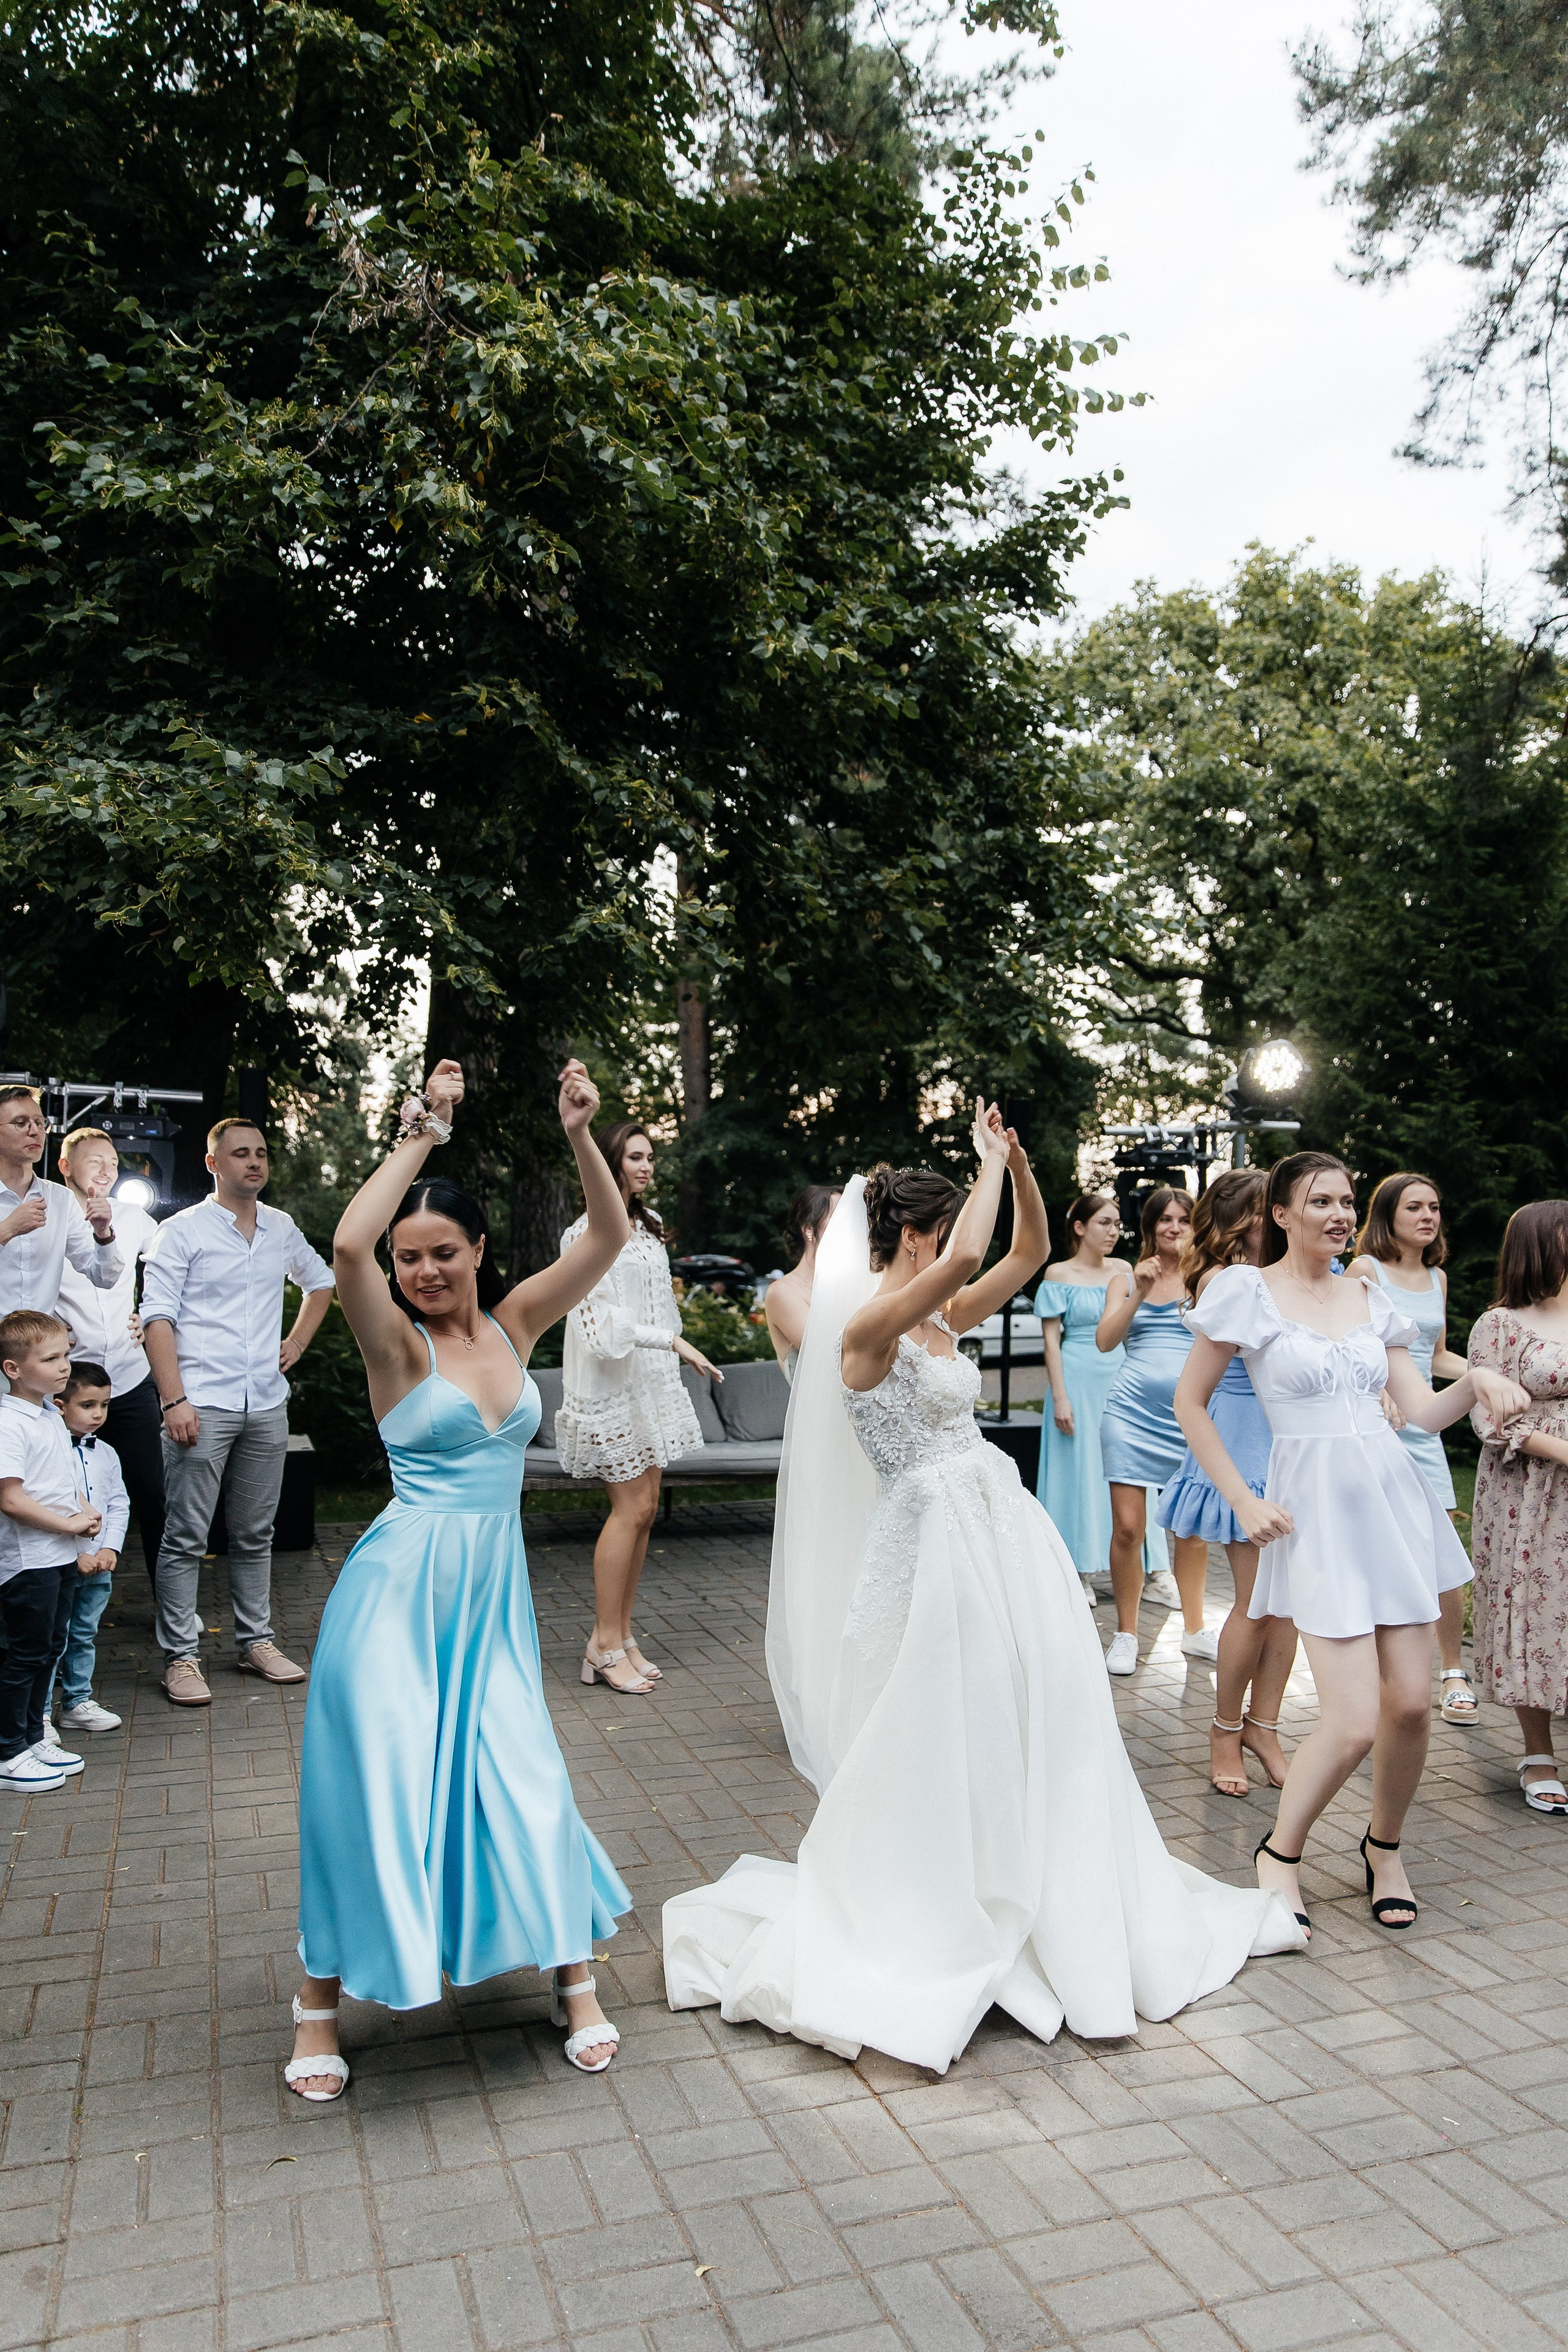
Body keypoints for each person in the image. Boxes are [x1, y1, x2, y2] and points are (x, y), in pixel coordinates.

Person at [663, 1109, 1305, 2074]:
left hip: (1002, 1534)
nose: (955, 1244)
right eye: (947, 1226)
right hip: (930, 1547)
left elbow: (1028, 1248)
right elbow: (972, 1255)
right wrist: (984, 1166)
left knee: (1036, 1701)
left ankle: (1036, 1874)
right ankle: (949, 1893)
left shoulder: (936, 1319)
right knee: (945, 1716)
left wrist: (1016, 1166)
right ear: (918, 1236)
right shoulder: (865, 1328)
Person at [288, 1059, 633, 2101]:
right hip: (394, 1603)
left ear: (481, 1251)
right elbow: (347, 1244)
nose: (425, 1271)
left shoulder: (517, 1322)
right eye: (411, 1259)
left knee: (524, 1775)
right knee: (375, 1794)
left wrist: (581, 1136)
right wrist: (423, 1135)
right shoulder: (395, 1345)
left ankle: (574, 1981)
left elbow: (610, 1240)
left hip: (490, 1607)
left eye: (444, 1252)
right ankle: (315, 2011)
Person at [1174, 1152, 1527, 1938]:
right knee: (1352, 1721)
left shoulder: (1370, 1297)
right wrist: (1242, 1496)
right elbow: (1189, 1404)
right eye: (1319, 1201)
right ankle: (1280, 1852)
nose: (1338, 1214)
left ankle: (1384, 1848)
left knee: (1411, 1705)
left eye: (1345, 1201)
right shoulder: (1245, 1293)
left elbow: (1424, 1414)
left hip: (1392, 1503)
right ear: (1281, 1214)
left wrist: (1481, 1382)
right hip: (1315, 1513)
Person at [140, 1116, 335, 1706]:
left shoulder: (280, 1227)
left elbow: (321, 1283)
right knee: (186, 1537)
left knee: (255, 1534)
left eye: (261, 1153)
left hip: (266, 1404)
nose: (253, 1162)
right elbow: (156, 1319)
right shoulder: (181, 1232)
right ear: (213, 1164)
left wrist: (296, 1343)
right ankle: (180, 1657)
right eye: (240, 1154)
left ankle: (256, 1642)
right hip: (201, 1403)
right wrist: (173, 1399)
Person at [556, 1121, 722, 1696]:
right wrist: (672, 1342)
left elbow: (663, 1310)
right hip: (609, 1390)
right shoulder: (584, 1234)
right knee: (627, 1510)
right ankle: (600, 1644)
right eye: (634, 1157)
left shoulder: (648, 1234)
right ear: (609, 1163)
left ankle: (621, 1636)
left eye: (650, 1157)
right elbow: (601, 1329)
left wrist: (671, 1357)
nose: (646, 1166)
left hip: (649, 1388)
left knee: (647, 1509)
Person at [1156, 1172, 1298, 1797]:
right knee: (1255, 1602)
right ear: (1245, 1219)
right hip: (1242, 1445)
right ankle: (1223, 1729)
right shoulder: (1224, 1280)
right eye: (1274, 1210)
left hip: (1291, 1446)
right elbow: (1199, 1390)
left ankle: (1263, 1726)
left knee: (1288, 1604)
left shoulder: (1285, 1277)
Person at [1346, 1174, 1474, 1725]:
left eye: (1436, 1207)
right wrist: (1379, 1392)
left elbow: (1437, 1356)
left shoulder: (1437, 1277)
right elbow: (1348, 1346)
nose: (1429, 1216)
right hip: (1379, 1425)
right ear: (1387, 1215)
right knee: (1384, 1551)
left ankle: (1453, 1673)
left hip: (1427, 1427)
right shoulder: (1364, 1272)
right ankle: (1385, 1678)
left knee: (1444, 1549)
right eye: (1415, 1207)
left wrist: (1488, 1374)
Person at [1464, 1200, 1568, 1815]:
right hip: (1532, 1495)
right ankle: (1537, 1751)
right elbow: (1489, 1419)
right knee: (1535, 1606)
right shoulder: (1499, 1325)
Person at [1096, 1186, 1213, 1673]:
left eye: (1183, 1220)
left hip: (1191, 1418)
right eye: (1164, 1219)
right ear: (1150, 1226)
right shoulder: (1126, 1276)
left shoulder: (1208, 1278)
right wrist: (1140, 1289)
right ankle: (1126, 1634)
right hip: (1129, 1414)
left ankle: (1194, 1628)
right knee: (1128, 1528)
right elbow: (1105, 1341)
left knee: (1190, 1530)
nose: (1174, 1228)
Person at [54, 1126, 165, 1593]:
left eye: (114, 1163)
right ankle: (66, 1597)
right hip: (65, 1385)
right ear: (66, 1168)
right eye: (95, 1161)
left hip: (130, 1377)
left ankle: (171, 1603)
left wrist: (152, 1311)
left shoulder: (134, 1217)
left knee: (153, 1493)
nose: (106, 1170)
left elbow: (167, 1269)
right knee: (60, 1493)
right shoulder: (48, 1215)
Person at [1035, 1193, 1159, 1597]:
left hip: (1120, 1376)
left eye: (1116, 1223)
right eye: (1104, 1222)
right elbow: (1052, 1342)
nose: (1113, 1230)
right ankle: (1077, 1570)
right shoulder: (1058, 1274)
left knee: (1131, 1468)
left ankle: (1153, 1568)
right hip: (1076, 1376)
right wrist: (1060, 1397)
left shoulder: (1124, 1270)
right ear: (1080, 1227)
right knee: (1078, 1470)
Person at [0, 1312, 102, 1791]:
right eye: (51, 1358)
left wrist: (83, 1511)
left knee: (49, 1649)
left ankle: (32, 1734)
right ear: (13, 1368)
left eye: (66, 1354)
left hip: (60, 1555)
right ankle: (8, 1752)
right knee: (25, 1654)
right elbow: (11, 1498)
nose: (65, 1366)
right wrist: (68, 1524)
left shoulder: (48, 1415)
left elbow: (60, 1481)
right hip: (30, 1561)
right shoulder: (9, 1422)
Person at [0, 1087, 122, 1338]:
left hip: (38, 1352)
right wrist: (7, 1229)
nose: (35, 1131)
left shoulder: (59, 1199)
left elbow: (104, 1277)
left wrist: (102, 1233)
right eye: (21, 1123)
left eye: (39, 1122)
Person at [48, 1362, 127, 1735]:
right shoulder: (51, 1451)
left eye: (105, 1405)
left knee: (84, 1633)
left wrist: (109, 1548)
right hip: (64, 1561)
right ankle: (40, 1712)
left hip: (100, 1565)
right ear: (60, 1405)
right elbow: (52, 1505)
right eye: (88, 1405)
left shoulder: (107, 1454)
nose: (98, 1414)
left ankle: (77, 1701)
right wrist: (77, 1552)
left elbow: (118, 1504)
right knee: (52, 1637)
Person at [764, 1185, 843, 1378]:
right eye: (839, 1217)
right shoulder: (783, 1292)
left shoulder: (856, 1287)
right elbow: (831, 1358)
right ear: (809, 1230)